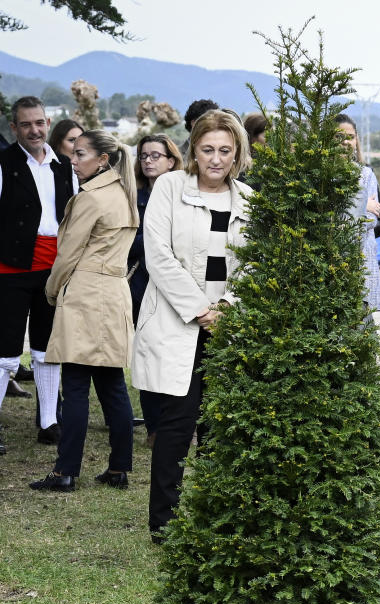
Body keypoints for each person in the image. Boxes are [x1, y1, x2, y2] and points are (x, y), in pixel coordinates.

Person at [133, 110, 252, 541]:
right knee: (177, 424)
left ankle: (214, 518)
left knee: (219, 427)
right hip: (178, 322)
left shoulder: (248, 201)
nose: (216, 159)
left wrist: (226, 308)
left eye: (225, 150)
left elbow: (253, 265)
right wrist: (200, 310)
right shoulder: (169, 187)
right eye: (207, 150)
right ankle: (164, 522)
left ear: (237, 152)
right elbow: (158, 256)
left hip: (227, 327)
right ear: (193, 150)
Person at [29, 130, 139, 492]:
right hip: (114, 292)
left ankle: (65, 472)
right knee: (111, 385)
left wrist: (50, 290)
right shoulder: (125, 194)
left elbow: (67, 254)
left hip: (86, 293)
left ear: (103, 159)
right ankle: (120, 467)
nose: (73, 161)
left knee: (76, 385)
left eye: (80, 154)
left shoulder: (91, 198)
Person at [0, 96, 77, 455]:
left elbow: (72, 218)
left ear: (49, 123)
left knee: (48, 348)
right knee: (6, 353)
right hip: (10, 269)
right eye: (26, 124)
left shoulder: (65, 166)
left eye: (40, 123)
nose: (35, 130)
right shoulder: (3, 164)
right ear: (14, 128)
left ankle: (49, 422)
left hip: (53, 269)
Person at [127, 133, 183, 448]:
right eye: (144, 156)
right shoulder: (133, 198)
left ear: (171, 160)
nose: (148, 161)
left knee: (175, 356)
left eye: (155, 156)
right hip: (141, 285)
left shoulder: (184, 195)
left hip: (176, 287)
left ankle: (178, 425)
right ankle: (154, 428)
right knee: (148, 356)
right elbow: (126, 242)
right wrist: (154, 240)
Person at [336, 114, 380, 313]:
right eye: (338, 137)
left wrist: (346, 207)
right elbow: (326, 216)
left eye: (350, 137)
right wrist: (361, 204)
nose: (345, 142)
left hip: (362, 262)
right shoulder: (321, 177)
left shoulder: (365, 174)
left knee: (362, 325)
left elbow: (371, 220)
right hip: (332, 262)